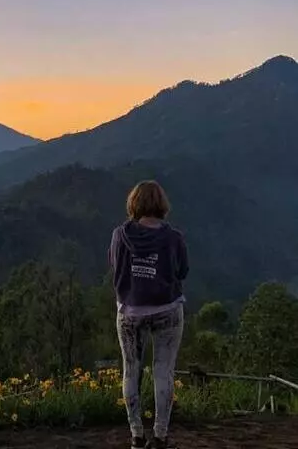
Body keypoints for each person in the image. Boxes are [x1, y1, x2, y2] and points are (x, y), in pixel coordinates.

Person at [109, 181, 189, 449]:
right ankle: (160, 436)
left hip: (130, 312)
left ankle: (136, 435)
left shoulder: (120, 235)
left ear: (134, 204)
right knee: (163, 372)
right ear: (162, 205)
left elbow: (115, 267)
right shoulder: (174, 237)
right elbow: (183, 271)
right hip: (167, 309)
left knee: (131, 371)